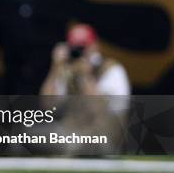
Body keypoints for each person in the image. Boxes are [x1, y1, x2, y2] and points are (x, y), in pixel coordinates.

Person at [40, 24, 131, 153]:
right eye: (75, 47)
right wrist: (55, 67)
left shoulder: (112, 70)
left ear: (95, 46)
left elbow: (102, 110)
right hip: (71, 132)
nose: (80, 51)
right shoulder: (68, 70)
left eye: (83, 47)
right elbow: (48, 105)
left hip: (103, 135)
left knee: (79, 145)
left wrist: (85, 76)